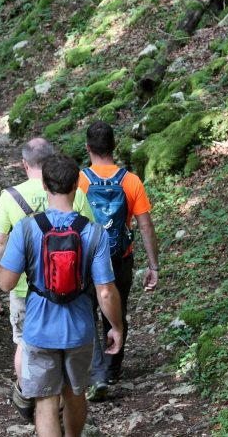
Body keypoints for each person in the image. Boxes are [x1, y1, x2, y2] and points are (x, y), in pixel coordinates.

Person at [0, 154, 123, 437]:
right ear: (78, 184)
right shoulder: (94, 232)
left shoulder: (26, 229)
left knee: (45, 401)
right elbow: (105, 291)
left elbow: (5, 284)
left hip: (39, 330)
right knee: (76, 394)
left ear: (44, 185)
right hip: (80, 330)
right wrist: (116, 327)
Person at [0, 137, 94, 419]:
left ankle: (31, 397)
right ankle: (59, 403)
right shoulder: (73, 191)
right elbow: (90, 234)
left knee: (24, 342)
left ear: (24, 164)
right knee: (66, 343)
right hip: (70, 286)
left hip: (24, 288)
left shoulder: (10, 196)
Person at [79, 121, 161, 401]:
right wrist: (153, 265)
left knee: (86, 312)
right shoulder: (131, 181)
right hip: (120, 258)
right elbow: (145, 226)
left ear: (88, 148)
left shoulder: (79, 181)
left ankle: (97, 373)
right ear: (114, 146)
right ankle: (113, 368)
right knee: (116, 309)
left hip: (87, 259)